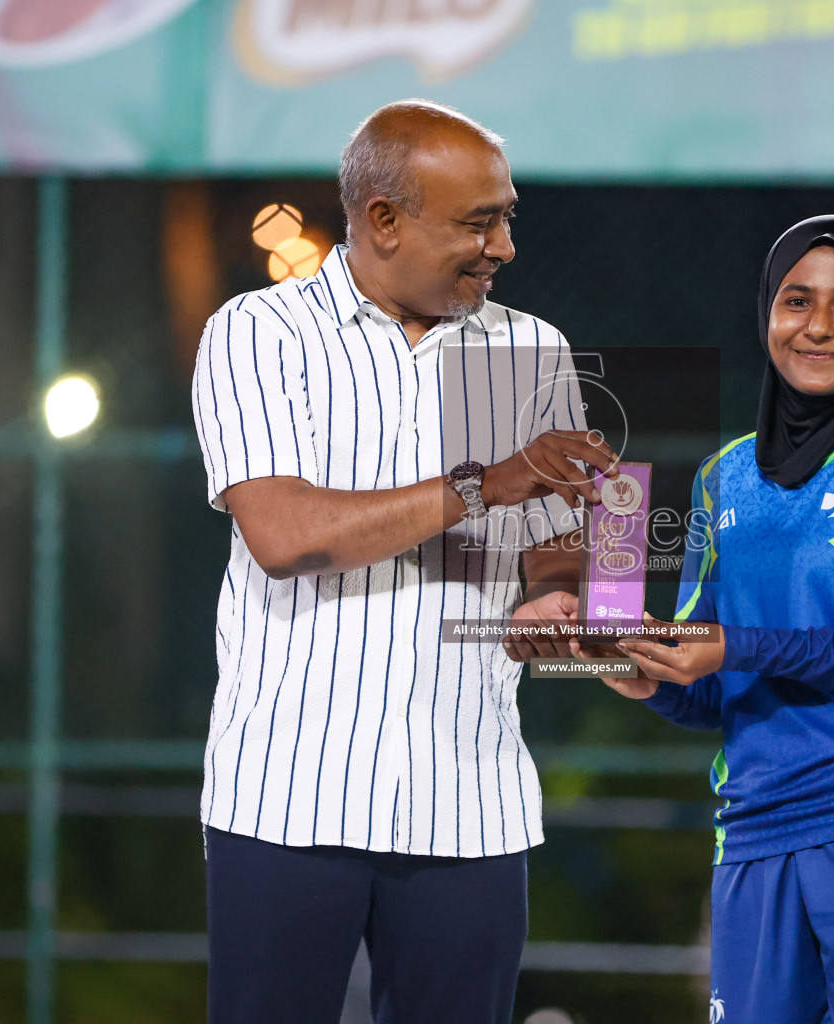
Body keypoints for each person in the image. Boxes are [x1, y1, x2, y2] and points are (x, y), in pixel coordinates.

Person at [191, 99, 616, 1024]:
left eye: (508, 216)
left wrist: (558, 600)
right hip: (288, 795)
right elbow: (286, 533)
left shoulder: (532, 349)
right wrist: (482, 486)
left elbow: (560, 553)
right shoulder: (260, 334)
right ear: (383, 220)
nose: (503, 245)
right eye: (478, 221)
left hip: (471, 796)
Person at [578, 215, 834, 1022]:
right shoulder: (721, 478)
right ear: (766, 311)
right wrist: (625, 660)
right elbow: (707, 692)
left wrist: (730, 645)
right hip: (754, 833)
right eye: (797, 300)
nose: (818, 327)